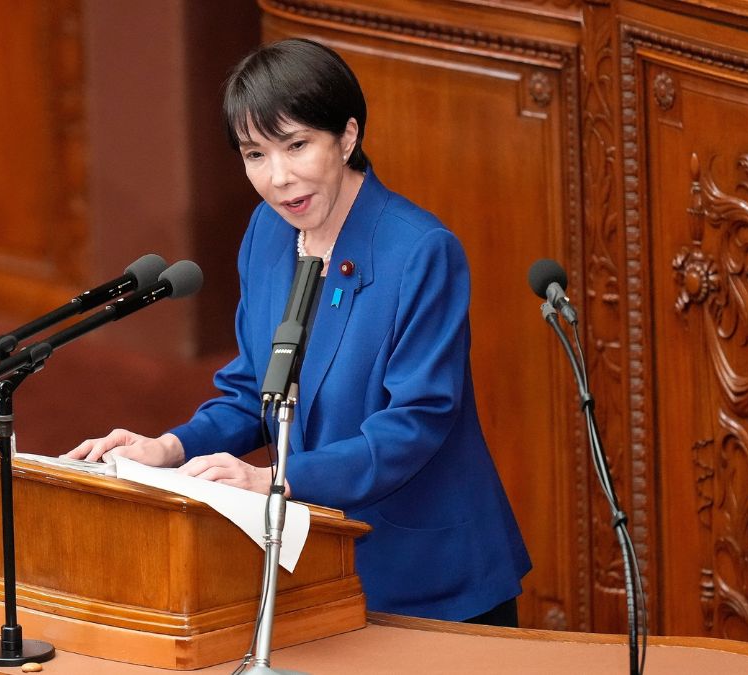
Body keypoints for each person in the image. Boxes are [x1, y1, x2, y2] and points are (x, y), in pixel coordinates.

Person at [67, 38, 530, 626]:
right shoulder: (267, 231)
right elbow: (252, 389)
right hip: (316, 569)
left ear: (348, 136)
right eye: (255, 154)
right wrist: (168, 449)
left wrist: (276, 480)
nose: (278, 178)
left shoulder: (419, 251)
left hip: (428, 577)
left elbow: (415, 423)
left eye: (297, 145)